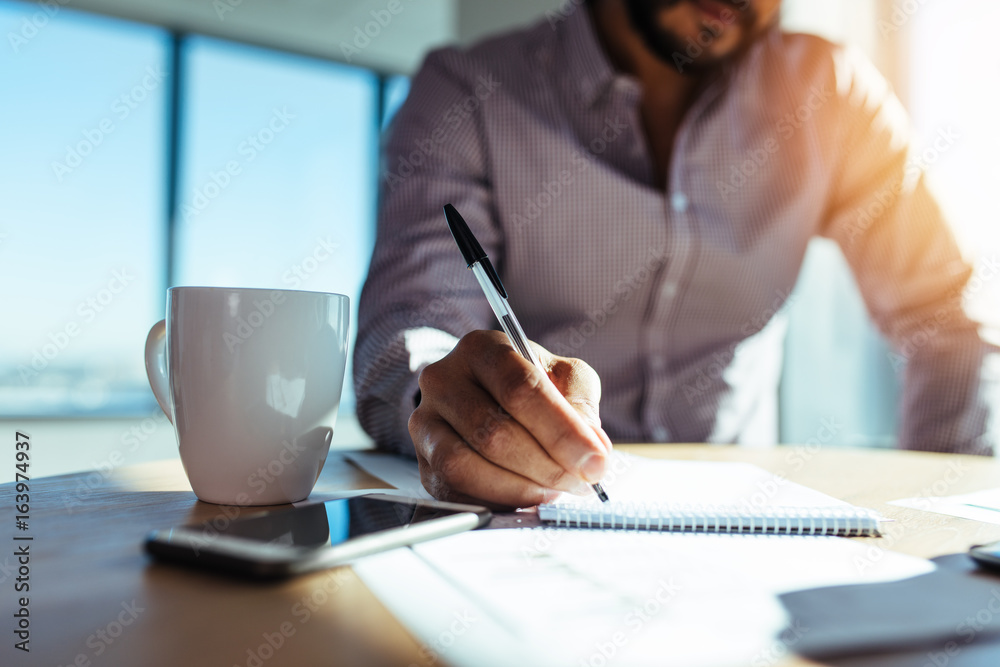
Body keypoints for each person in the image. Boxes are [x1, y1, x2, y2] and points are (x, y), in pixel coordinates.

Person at [354, 0, 1000, 508]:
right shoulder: (466, 94)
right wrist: (450, 407)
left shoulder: (832, 94)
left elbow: (944, 315)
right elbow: (413, 328)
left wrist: (939, 510)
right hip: (522, 517)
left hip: (743, 529)